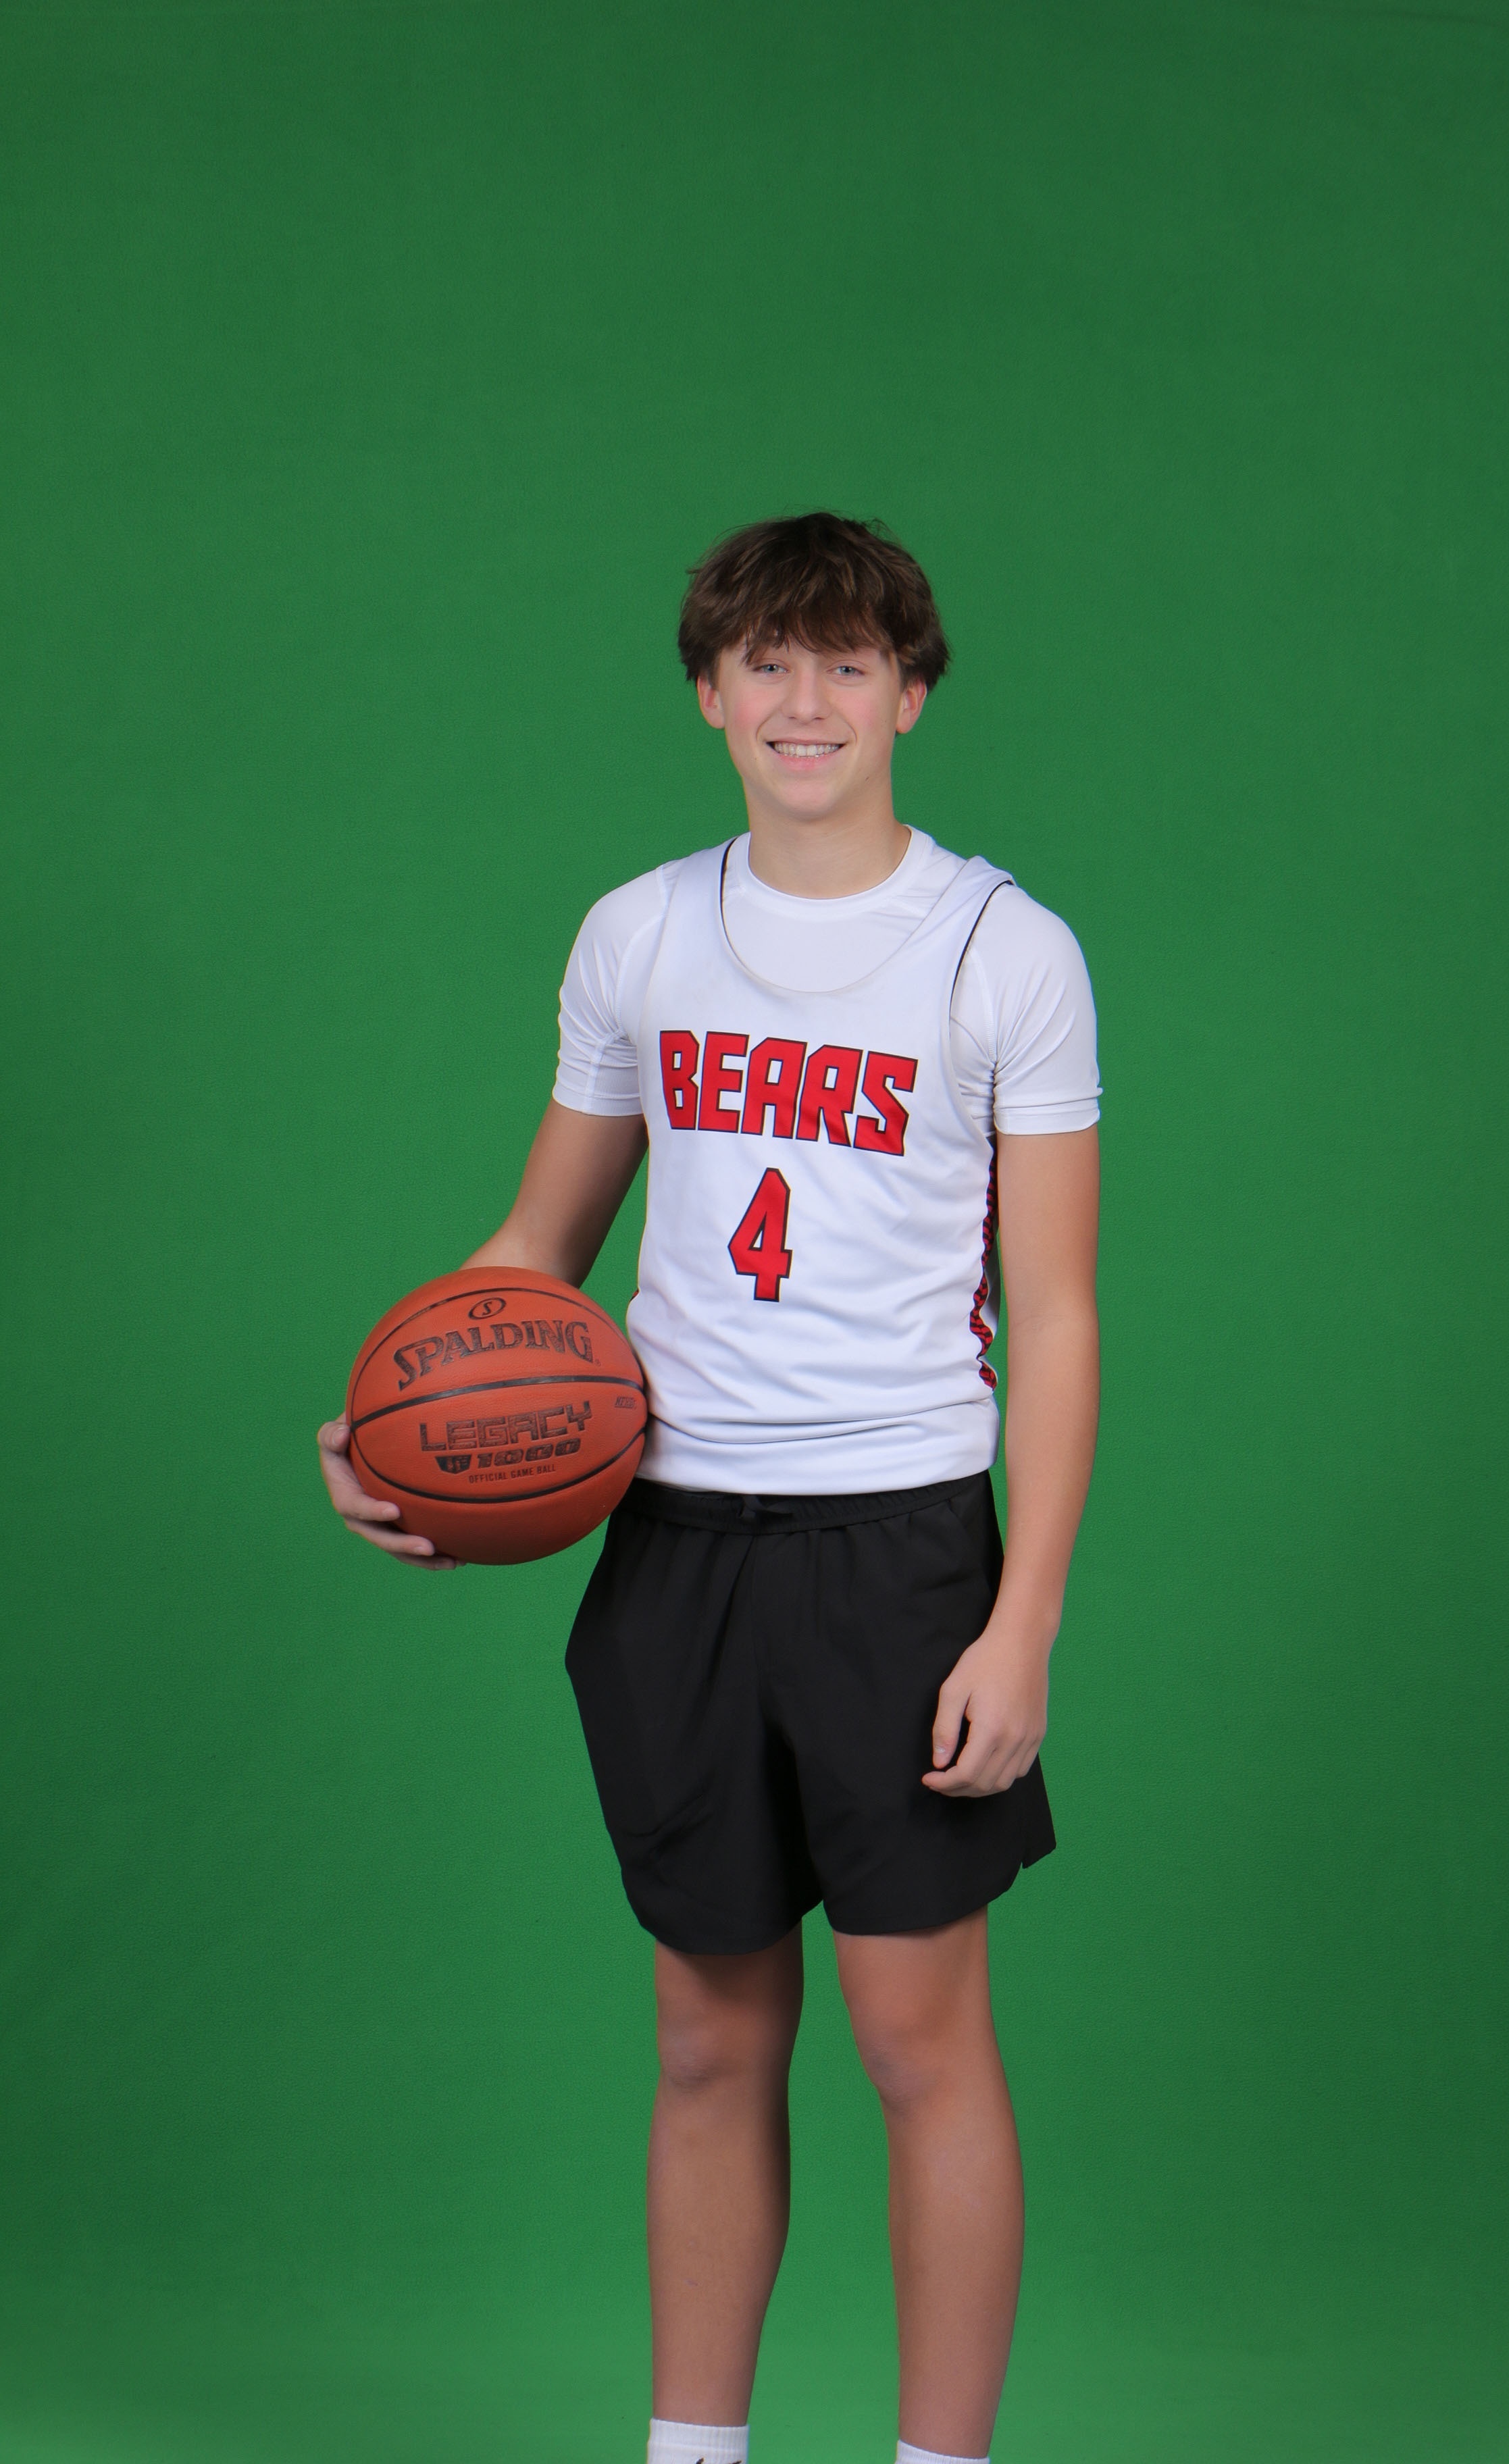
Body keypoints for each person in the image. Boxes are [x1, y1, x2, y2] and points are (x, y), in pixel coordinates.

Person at [317, 512, 1100, 2464]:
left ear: (911, 695)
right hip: (672, 1538)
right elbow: (537, 1248)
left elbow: (1062, 1317)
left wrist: (1023, 1621)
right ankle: (693, 2452)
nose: (804, 699)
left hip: (902, 1547)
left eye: (848, 662)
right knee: (704, 2040)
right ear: (707, 694)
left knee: (919, 2045)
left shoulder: (1004, 950)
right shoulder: (642, 932)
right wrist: (390, 1416)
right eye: (766, 662)